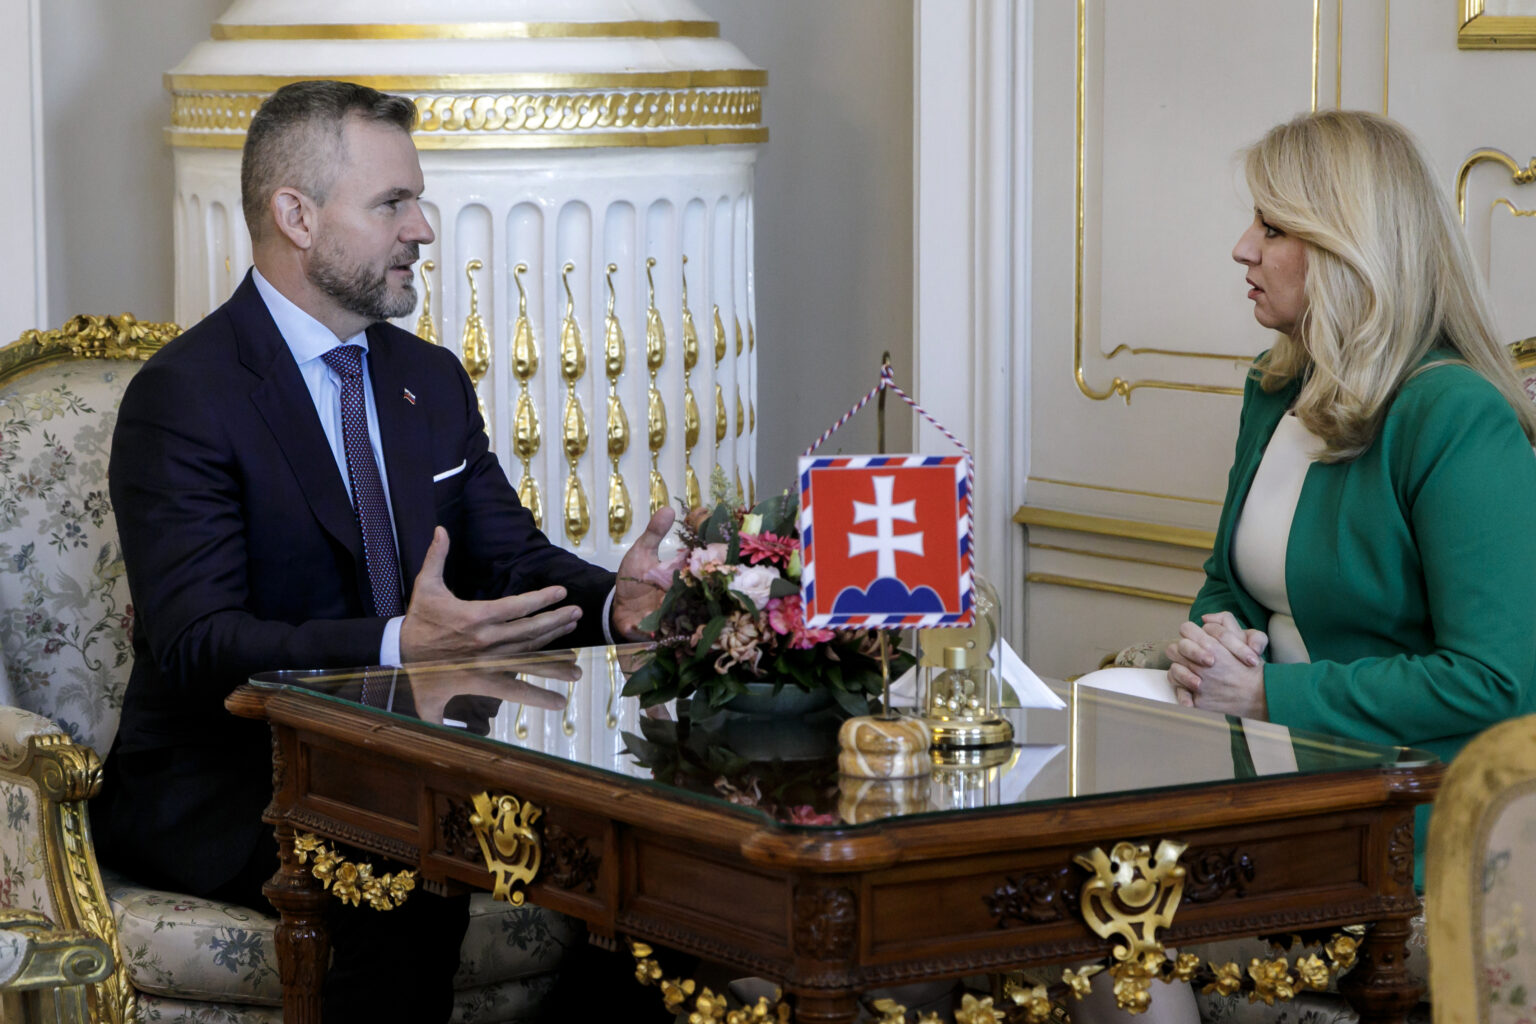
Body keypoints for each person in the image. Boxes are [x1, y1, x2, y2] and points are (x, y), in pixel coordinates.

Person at [91, 80, 675, 1023]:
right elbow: (200, 642)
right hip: (234, 778)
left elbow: (511, 561)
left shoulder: (427, 380)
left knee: (659, 862)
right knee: (394, 880)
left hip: (420, 766)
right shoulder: (186, 397)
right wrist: (402, 644)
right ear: (296, 216)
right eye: (393, 202)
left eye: (418, 199)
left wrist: (620, 605)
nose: (425, 229)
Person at [1166, 109, 1536, 888]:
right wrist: (1212, 640)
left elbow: (1495, 677)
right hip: (1264, 774)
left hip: (1410, 812)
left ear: (1347, 248)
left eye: (1271, 228)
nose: (1242, 248)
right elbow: (1227, 580)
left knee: (1108, 915)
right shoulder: (1275, 389)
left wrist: (1270, 692)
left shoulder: (1454, 414)